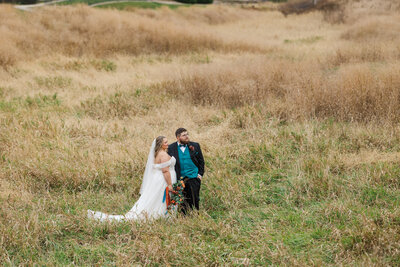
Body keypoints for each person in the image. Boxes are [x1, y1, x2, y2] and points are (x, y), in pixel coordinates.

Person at [87, 136, 176, 222]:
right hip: (163, 181)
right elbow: (165, 171)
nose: (167, 143)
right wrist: (169, 184)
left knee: (156, 198)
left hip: (157, 180)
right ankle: (159, 215)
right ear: (160, 144)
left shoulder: (156, 154)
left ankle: (158, 215)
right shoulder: (163, 155)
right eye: (165, 142)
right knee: (160, 198)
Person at [168, 128, 205, 214]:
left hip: (193, 176)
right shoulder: (171, 148)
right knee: (182, 200)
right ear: (178, 137)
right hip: (180, 178)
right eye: (184, 135)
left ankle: (195, 215)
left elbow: (201, 161)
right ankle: (184, 217)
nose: (187, 136)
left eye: (187, 134)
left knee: (195, 198)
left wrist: (200, 174)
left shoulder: (195, 145)